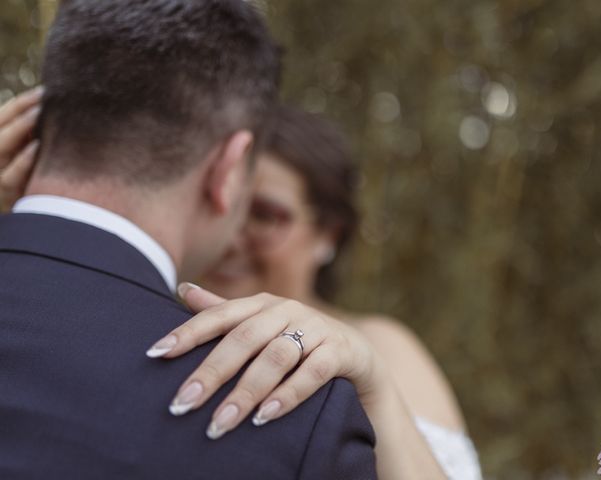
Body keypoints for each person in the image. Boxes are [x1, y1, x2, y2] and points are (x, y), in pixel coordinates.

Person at [1, 90, 483, 478]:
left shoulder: (383, 347)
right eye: (230, 206)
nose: (233, 238)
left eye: (267, 216)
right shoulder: (134, 317)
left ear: (328, 235)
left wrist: (373, 387)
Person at [0, 1, 378, 479]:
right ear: (229, 170)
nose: (239, 239)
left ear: (36, 126)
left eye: (270, 216)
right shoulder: (299, 418)